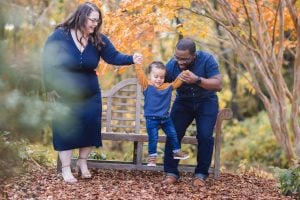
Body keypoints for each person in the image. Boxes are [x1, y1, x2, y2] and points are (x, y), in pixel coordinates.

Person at [42, 2, 143, 183]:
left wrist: (132, 58)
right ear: (82, 16)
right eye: (93, 20)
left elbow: (114, 56)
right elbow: (46, 61)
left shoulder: (98, 39)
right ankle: (66, 169)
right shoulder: (60, 36)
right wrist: (49, 88)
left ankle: (82, 163)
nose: (95, 24)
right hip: (65, 94)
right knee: (65, 129)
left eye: (98, 21)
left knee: (89, 126)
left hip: (90, 94)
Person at [162, 38, 222, 187]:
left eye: (185, 59)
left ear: (194, 55)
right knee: (173, 133)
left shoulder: (207, 60)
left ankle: (201, 174)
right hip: (183, 101)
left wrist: (197, 80)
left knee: (205, 135)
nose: (180, 62)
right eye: (178, 58)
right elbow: (163, 87)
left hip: (206, 101)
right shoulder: (172, 65)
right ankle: (171, 173)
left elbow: (218, 84)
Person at [134, 62, 189, 167]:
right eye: (156, 77)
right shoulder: (147, 86)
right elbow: (140, 75)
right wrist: (137, 65)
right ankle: (152, 159)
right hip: (152, 119)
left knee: (173, 134)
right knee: (153, 138)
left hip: (165, 118)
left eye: (161, 77)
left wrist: (183, 74)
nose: (159, 79)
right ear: (149, 76)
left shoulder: (167, 87)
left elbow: (177, 83)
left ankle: (176, 151)